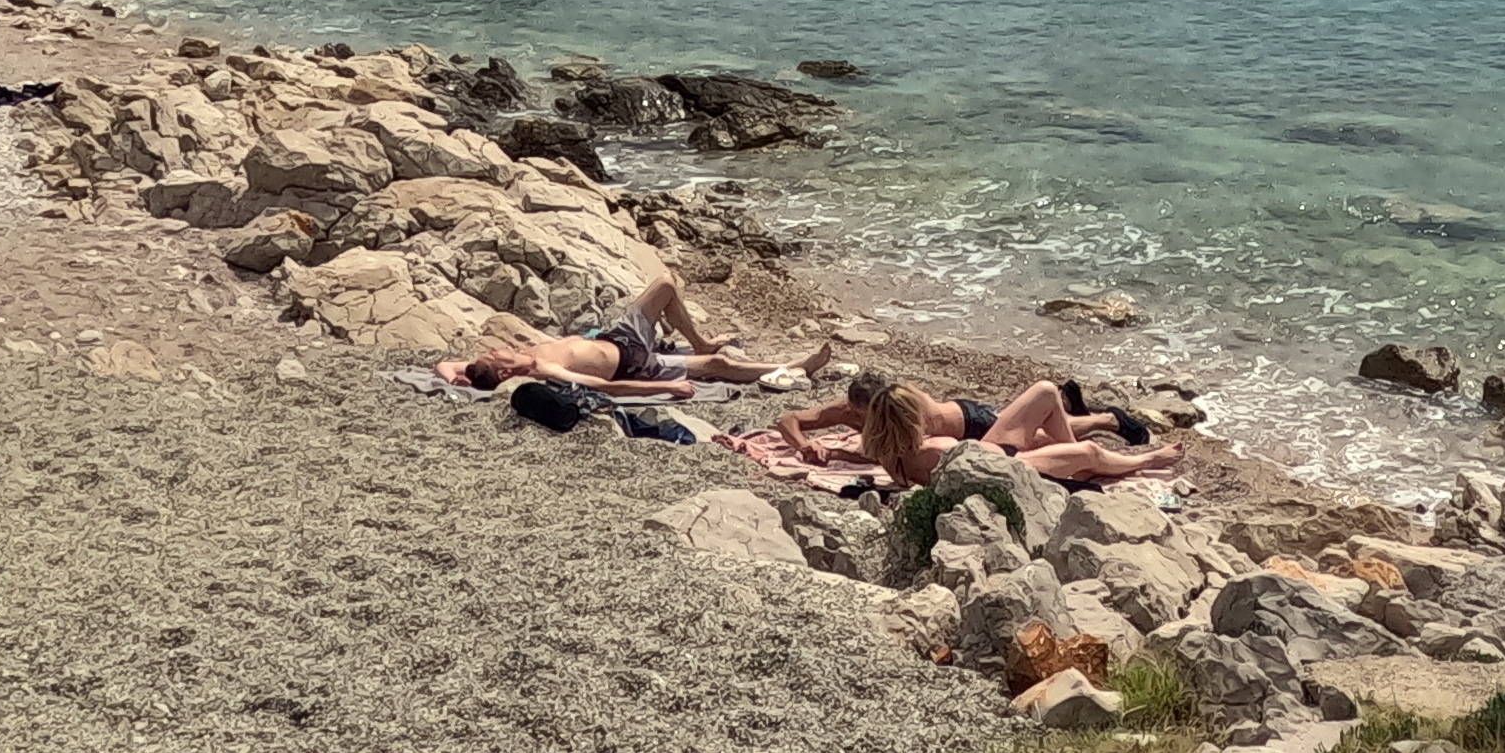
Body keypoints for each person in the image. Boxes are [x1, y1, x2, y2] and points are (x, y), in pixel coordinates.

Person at [434, 279, 833, 397]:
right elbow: (609, 387)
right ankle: (795, 367)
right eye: (498, 356)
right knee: (720, 368)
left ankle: (699, 340)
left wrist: (458, 376)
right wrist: (666, 390)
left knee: (664, 286)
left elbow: (450, 364)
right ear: (505, 374)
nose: (500, 348)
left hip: (619, 337)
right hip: (636, 364)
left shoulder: (519, 356)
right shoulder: (545, 370)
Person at [848, 375, 1179, 489]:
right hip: (1011, 467)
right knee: (1089, 452)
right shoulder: (933, 450)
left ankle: (1081, 465)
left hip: (993, 451)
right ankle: (1146, 460)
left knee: (1047, 391)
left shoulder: (887, 454)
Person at [776, 371, 1155, 463]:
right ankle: (1075, 409)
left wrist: (841, 454)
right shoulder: (846, 410)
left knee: (1043, 436)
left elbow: (904, 452)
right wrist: (805, 444)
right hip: (964, 422)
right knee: (1042, 429)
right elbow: (788, 419)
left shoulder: (909, 410)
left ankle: (1107, 420)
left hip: (972, 422)